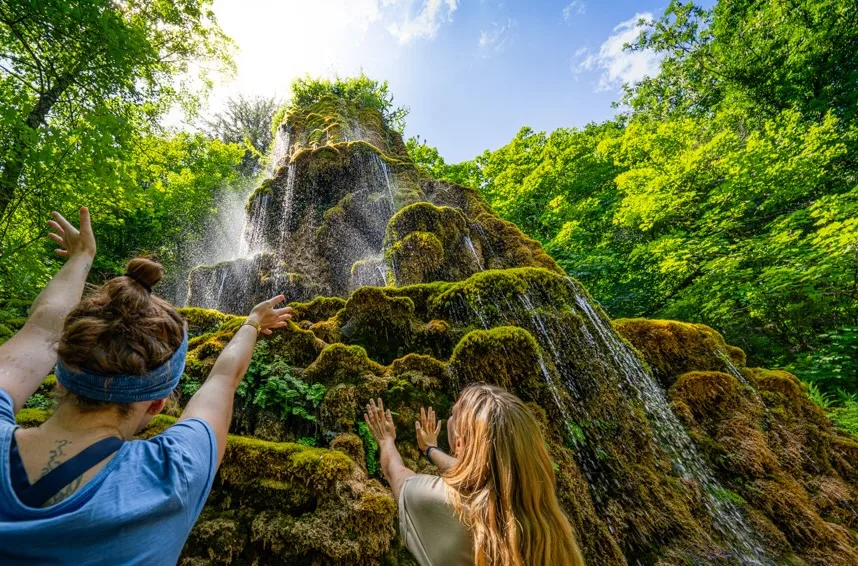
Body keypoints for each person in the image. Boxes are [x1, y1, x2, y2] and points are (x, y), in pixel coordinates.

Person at [0, 208, 291, 565]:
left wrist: (81, 258)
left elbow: (41, 330)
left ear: (59, 374)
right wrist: (252, 323)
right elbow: (222, 380)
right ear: (158, 404)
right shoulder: (173, 475)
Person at [364, 383, 585, 566]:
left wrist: (385, 441)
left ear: (459, 443)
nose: (450, 416)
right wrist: (431, 450)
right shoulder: (550, 524)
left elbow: (397, 474)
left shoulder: (441, 503)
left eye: (453, 414)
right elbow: (485, 473)